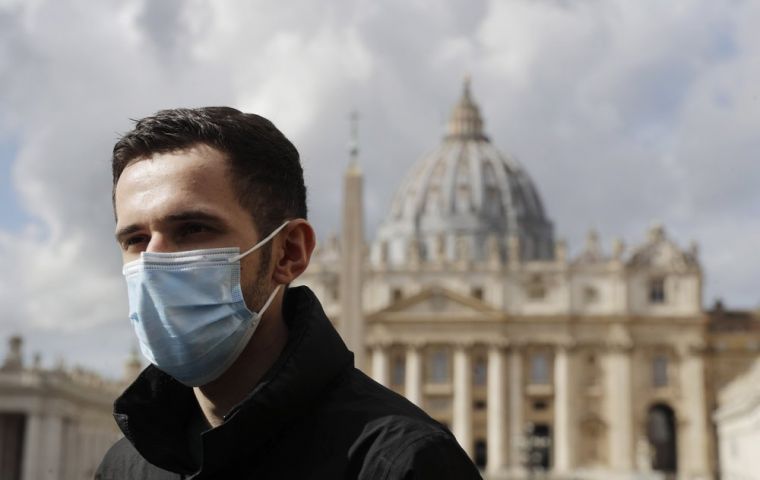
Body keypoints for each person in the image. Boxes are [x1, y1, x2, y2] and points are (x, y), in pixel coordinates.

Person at [95, 107, 481, 479]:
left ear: (289, 252)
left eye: (194, 229)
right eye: (136, 238)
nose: (154, 261)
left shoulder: (407, 464)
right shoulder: (124, 467)